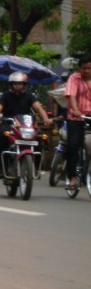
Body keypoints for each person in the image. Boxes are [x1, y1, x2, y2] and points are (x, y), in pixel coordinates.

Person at [0, 72, 51, 178]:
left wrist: (45, 118)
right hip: (8, 124)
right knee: (4, 137)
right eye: (15, 83)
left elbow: (38, 107)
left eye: (20, 83)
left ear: (24, 84)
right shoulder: (6, 96)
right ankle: (0, 167)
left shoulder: (29, 96)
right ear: (11, 84)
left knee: (38, 139)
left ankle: (36, 167)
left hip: (25, 125)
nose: (17, 86)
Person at [64, 57, 91, 190]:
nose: (87, 71)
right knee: (73, 146)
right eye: (84, 68)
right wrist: (75, 110)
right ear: (80, 68)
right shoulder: (74, 78)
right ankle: (72, 178)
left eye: (89, 68)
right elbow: (71, 96)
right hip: (76, 118)